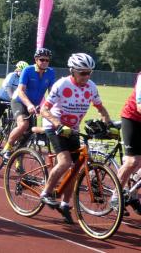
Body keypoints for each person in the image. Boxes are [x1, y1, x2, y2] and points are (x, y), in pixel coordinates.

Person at [40, 53, 111, 224]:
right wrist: (58, 124)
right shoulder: (62, 84)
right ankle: (46, 193)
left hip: (73, 130)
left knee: (76, 168)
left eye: (89, 73)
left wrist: (108, 125)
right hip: (54, 126)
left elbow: (101, 109)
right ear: (72, 71)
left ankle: (65, 204)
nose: (87, 77)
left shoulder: (91, 87)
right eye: (83, 73)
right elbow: (44, 109)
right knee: (65, 163)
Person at [3, 48, 55, 158]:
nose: (45, 62)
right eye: (42, 59)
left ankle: (17, 157)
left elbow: (52, 93)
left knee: (30, 133)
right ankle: (8, 147)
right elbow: (21, 91)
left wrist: (49, 108)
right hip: (19, 100)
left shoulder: (51, 73)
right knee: (23, 125)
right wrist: (29, 105)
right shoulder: (28, 70)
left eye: (47, 60)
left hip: (35, 105)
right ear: (36, 59)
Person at [115, 70, 141, 214]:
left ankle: (132, 194)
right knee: (132, 161)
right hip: (132, 118)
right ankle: (115, 196)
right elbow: (139, 106)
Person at [0, 61, 28, 130]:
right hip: (2, 98)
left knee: (17, 119)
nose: (23, 73)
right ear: (18, 69)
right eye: (22, 71)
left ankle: (9, 132)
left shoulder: (24, 79)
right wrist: (12, 98)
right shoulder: (12, 75)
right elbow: (8, 88)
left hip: (13, 101)